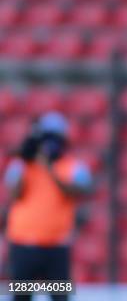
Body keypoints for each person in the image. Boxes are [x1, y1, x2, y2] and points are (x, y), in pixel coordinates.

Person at [3, 112, 93, 301]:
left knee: (59, 296)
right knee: (21, 296)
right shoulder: (23, 165)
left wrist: (49, 168)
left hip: (57, 247)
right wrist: (26, 162)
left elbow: (78, 191)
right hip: (23, 245)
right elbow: (14, 194)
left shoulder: (72, 166)